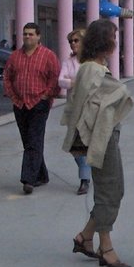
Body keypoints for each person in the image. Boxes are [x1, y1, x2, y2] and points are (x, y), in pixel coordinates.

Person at [62, 19, 134, 267]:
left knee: (112, 188)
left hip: (102, 135)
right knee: (111, 189)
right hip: (100, 137)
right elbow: (112, 96)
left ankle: (85, 236)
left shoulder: (88, 67)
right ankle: (106, 246)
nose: (116, 42)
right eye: (114, 37)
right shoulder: (93, 70)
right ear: (106, 42)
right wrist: (118, 92)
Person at [2, 22, 61, 194]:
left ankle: (28, 179)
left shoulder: (48, 56)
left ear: (38, 36)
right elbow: (7, 77)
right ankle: (41, 174)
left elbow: (54, 77)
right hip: (20, 104)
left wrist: (46, 95)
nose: (27, 37)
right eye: (25, 34)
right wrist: (13, 96)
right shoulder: (14, 56)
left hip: (39, 104)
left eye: (31, 34)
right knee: (28, 140)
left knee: (34, 139)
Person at [58, 28, 91, 195]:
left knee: (85, 143)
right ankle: (87, 170)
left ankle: (84, 179)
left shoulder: (91, 62)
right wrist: (73, 83)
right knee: (73, 145)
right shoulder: (68, 62)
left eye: (76, 40)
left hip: (90, 108)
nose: (73, 44)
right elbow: (61, 81)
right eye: (71, 41)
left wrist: (73, 81)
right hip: (73, 109)